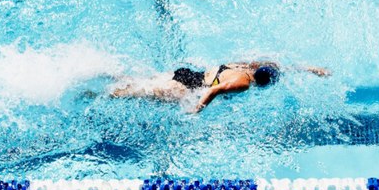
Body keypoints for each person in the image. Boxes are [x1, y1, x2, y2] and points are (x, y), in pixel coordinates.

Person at [106, 61, 331, 113]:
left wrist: (312, 70)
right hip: (184, 89)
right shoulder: (243, 84)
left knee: (141, 82)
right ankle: (97, 93)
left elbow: (279, 66)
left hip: (186, 73)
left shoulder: (246, 66)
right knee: (131, 94)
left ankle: (106, 72)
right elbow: (213, 90)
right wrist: (197, 110)